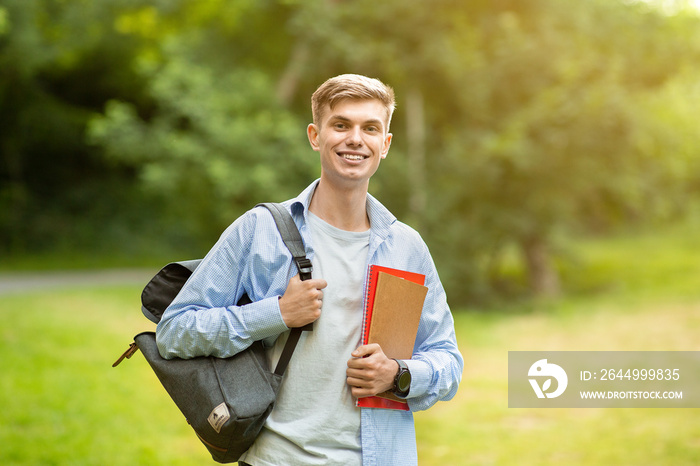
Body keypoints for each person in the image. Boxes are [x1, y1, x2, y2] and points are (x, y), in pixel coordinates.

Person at [156, 74, 463, 465]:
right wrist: (276, 314)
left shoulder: (406, 247)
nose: (355, 139)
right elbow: (173, 331)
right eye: (341, 125)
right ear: (315, 136)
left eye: (370, 128)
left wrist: (398, 375)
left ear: (384, 145)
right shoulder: (260, 230)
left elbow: (447, 360)